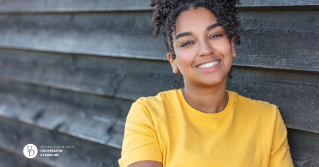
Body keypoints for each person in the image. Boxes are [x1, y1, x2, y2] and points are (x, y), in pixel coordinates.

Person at [118, 0, 294, 166]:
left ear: (231, 45)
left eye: (215, 35)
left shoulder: (267, 119)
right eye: (187, 42)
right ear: (173, 60)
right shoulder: (149, 115)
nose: (205, 50)